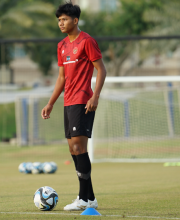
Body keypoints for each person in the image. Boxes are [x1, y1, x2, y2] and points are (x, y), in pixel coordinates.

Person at [41, 1, 106, 211]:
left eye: (65, 19)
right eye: (59, 20)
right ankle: (90, 197)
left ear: (75, 20)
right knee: (73, 148)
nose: (61, 23)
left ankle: (83, 198)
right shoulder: (61, 46)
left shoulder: (87, 41)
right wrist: (51, 103)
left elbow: (101, 70)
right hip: (68, 102)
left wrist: (95, 96)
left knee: (79, 146)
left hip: (83, 100)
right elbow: (61, 78)